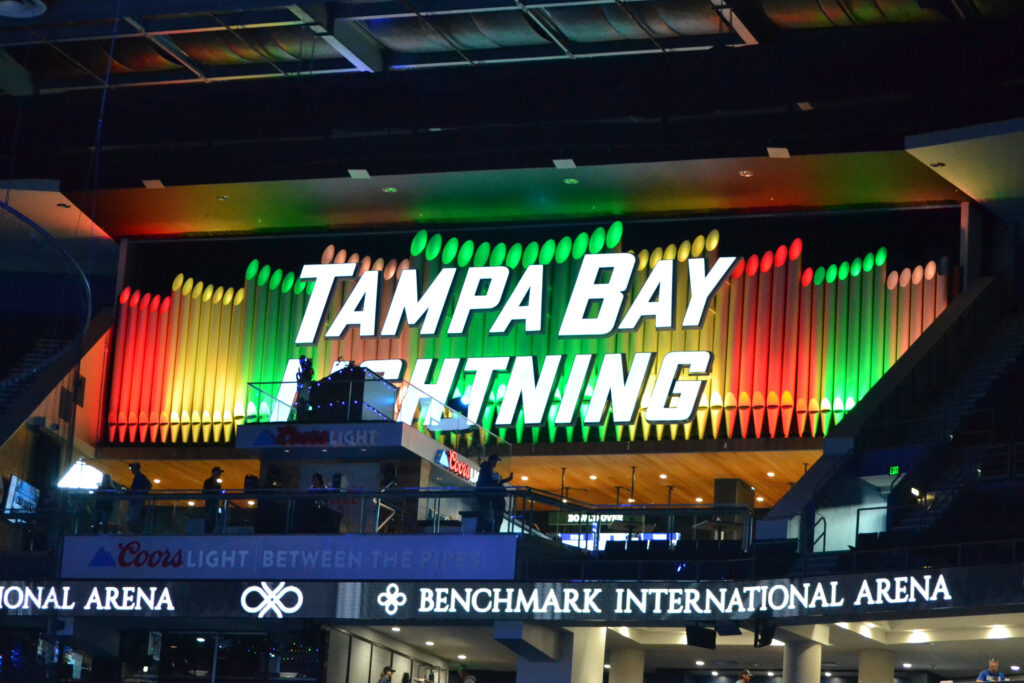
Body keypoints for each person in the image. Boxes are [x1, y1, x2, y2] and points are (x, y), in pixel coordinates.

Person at [476, 453, 512, 533]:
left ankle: (483, 529)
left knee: (486, 514)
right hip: (485, 495)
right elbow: (491, 482)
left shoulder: (486, 468)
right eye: (496, 461)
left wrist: (505, 480)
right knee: (485, 514)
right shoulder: (487, 468)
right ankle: (483, 530)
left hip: (485, 495)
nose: (496, 463)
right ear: (492, 460)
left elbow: (493, 482)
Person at [125, 462, 152, 534]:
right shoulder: (138, 477)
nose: (131, 469)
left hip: (136, 501)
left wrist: (141, 494)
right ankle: (133, 532)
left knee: (133, 518)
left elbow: (149, 485)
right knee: (132, 518)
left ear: (137, 468)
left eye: (133, 468)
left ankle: (133, 532)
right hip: (135, 501)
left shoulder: (140, 477)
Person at [202, 466, 225, 534]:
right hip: (210, 505)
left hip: (215, 504)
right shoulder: (208, 482)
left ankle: (210, 533)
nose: (219, 474)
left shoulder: (218, 483)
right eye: (218, 472)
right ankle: (208, 533)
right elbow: (205, 492)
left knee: (214, 521)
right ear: (214, 473)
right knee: (209, 521)